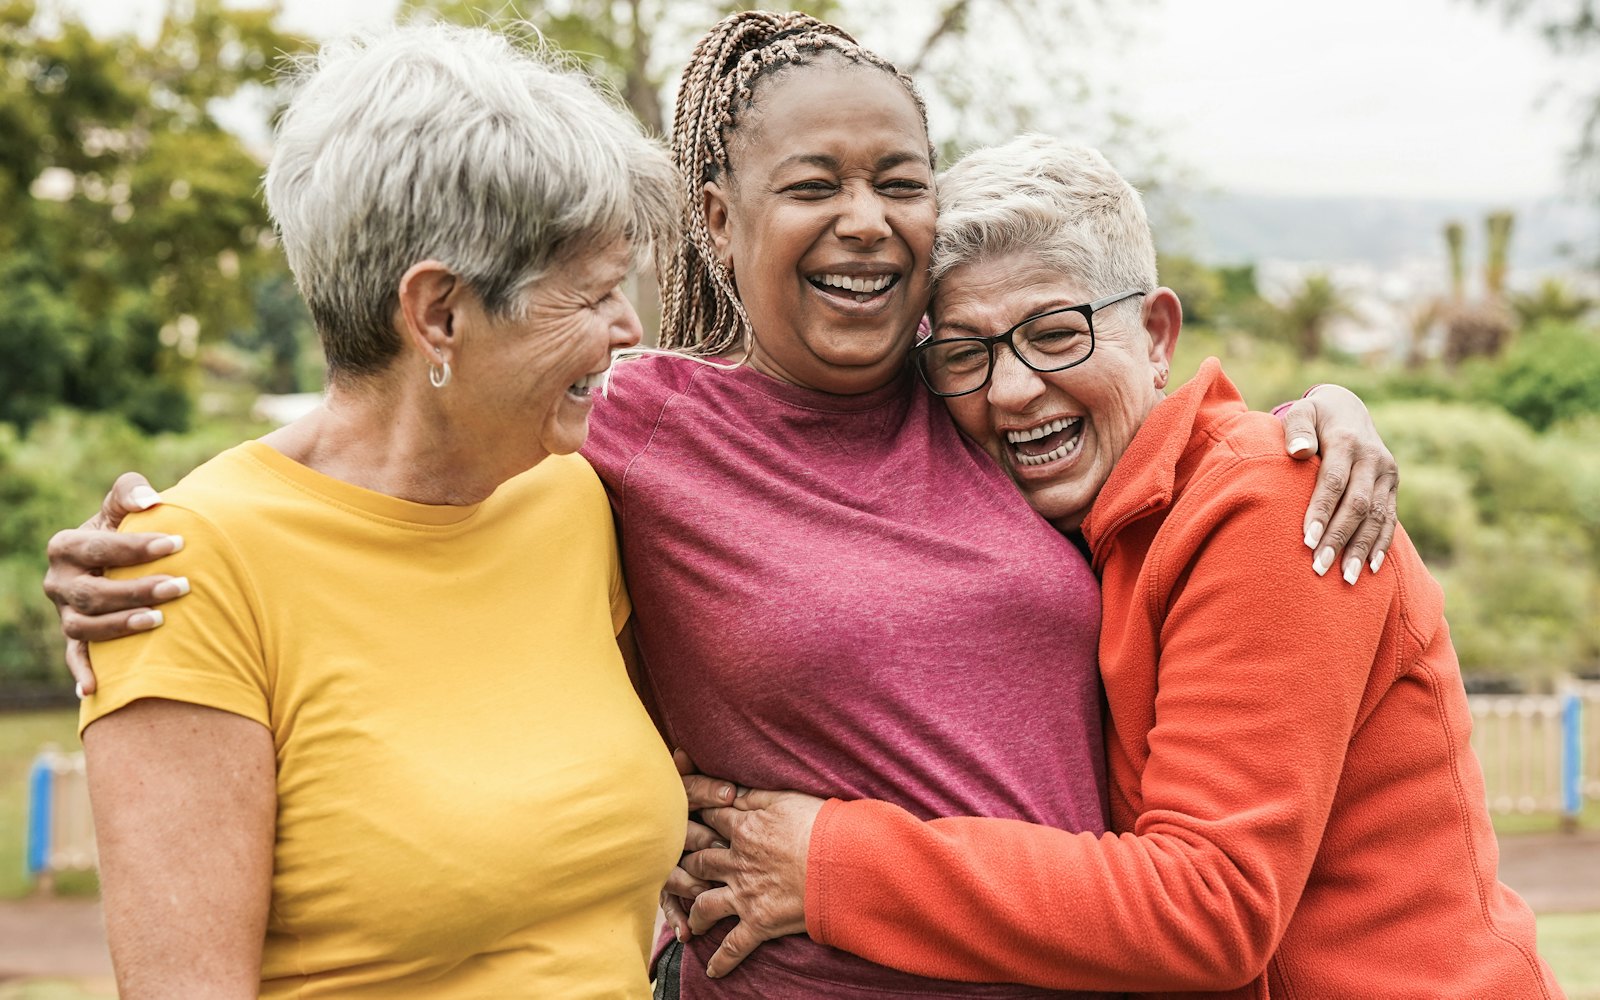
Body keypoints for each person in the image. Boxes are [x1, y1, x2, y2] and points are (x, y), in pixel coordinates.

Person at [46, 12, 1404, 999]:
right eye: (813, 185)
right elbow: (398, 432)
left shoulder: (977, 399)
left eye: (900, 182)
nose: (867, 221)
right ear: (716, 214)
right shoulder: (629, 434)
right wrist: (174, 529)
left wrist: (1315, 413)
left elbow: (1134, 414)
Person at [670, 136, 1563, 998]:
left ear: (1157, 333)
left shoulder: (1274, 507)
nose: (1012, 389)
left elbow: (1214, 904)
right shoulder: (1064, 523)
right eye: (967, 354)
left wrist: (830, 862)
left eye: (1056, 334)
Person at [68, 25, 687, 998]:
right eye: (596, 294)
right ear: (438, 313)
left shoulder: (572, 493)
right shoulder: (183, 574)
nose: (629, 329)